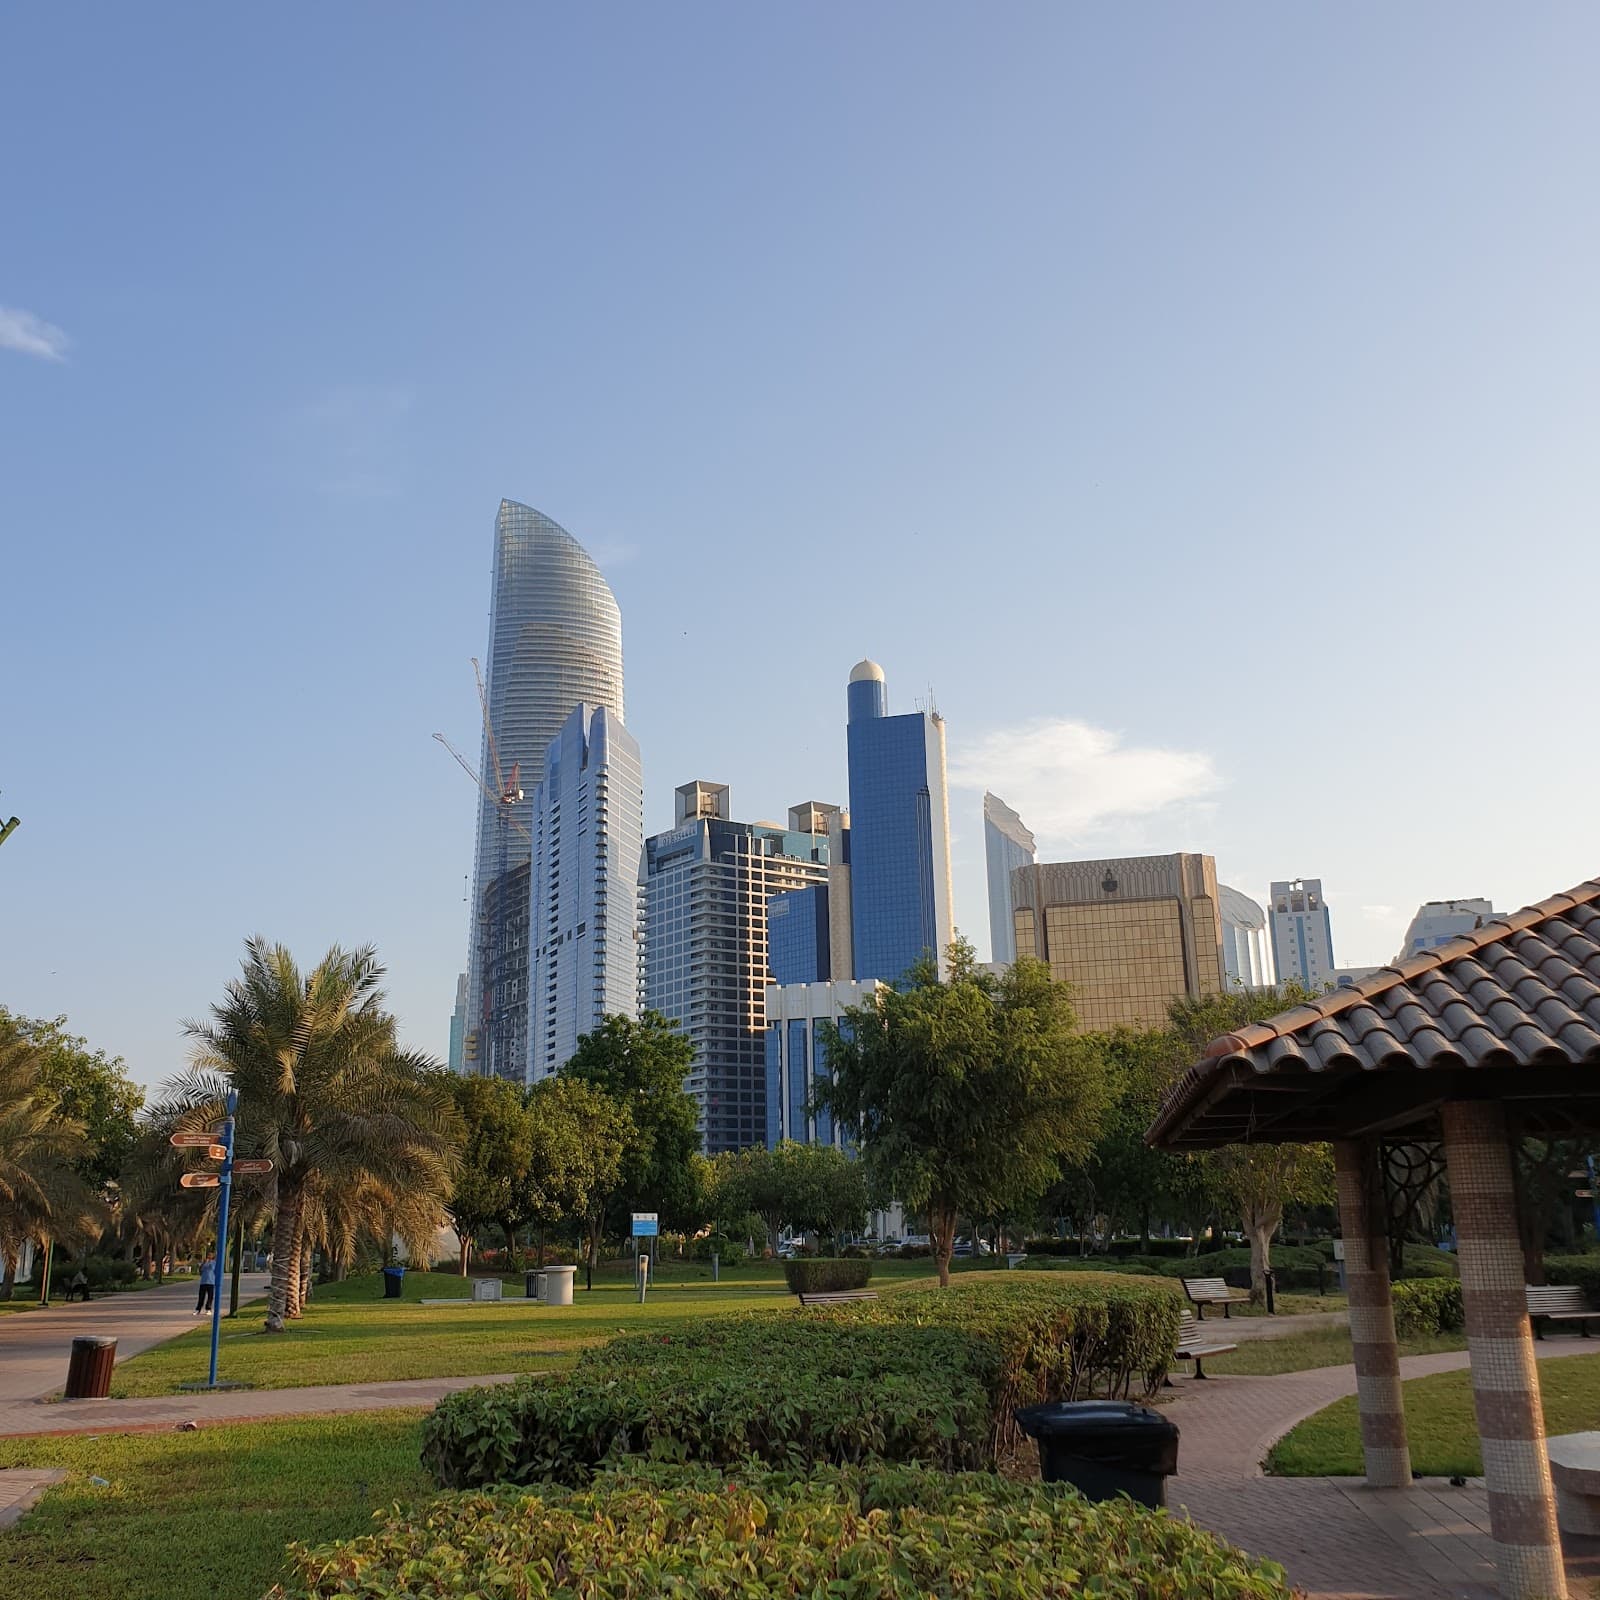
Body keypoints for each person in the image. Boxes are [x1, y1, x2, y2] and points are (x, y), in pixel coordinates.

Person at [195, 1251, 217, 1316]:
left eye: (210, 1255)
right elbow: (200, 1271)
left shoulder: (214, 1263)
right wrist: (203, 1263)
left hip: (211, 1282)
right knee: (201, 1296)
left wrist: (209, 1262)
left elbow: (212, 1268)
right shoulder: (204, 1263)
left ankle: (208, 1309)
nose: (209, 1256)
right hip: (203, 1282)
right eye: (208, 1255)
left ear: (212, 1256)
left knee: (210, 1297)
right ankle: (198, 1309)